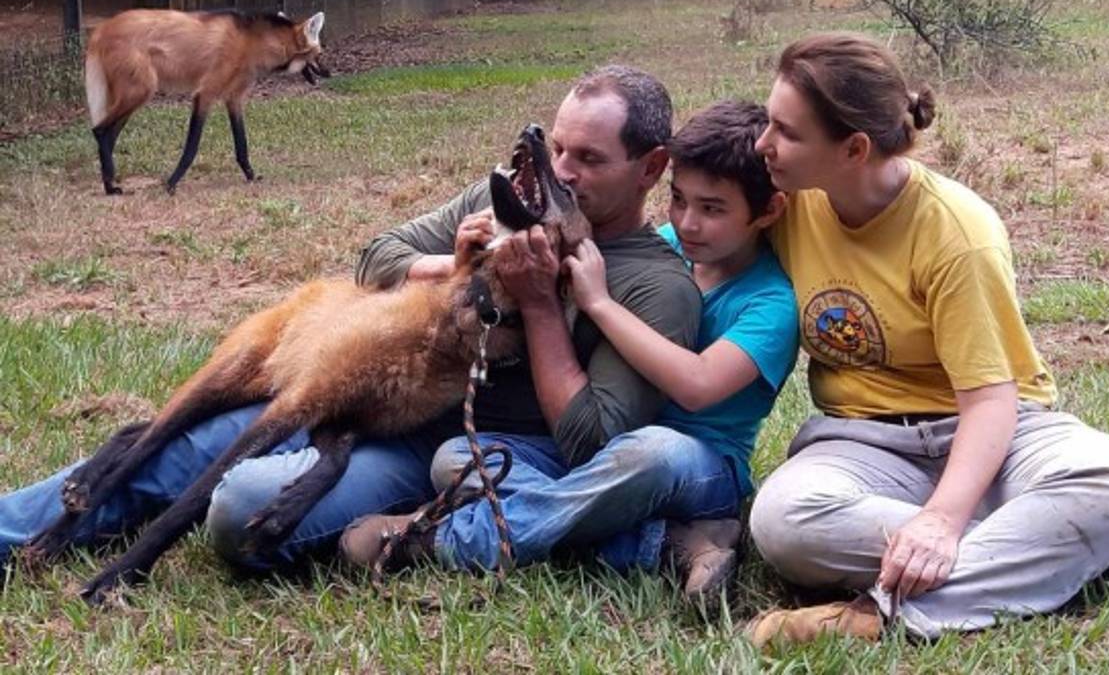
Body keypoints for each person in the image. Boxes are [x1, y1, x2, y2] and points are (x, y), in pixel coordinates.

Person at [0, 65, 703, 588]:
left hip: (446, 456)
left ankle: (413, 529)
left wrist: (543, 306)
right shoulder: (507, 205)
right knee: (185, 446)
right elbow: (376, 258)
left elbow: (589, 443)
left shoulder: (653, 287)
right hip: (369, 390)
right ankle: (15, 530)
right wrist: (448, 260)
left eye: (590, 159)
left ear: (652, 167)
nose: (563, 172)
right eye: (558, 151)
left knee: (241, 505)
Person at [743, 33, 1109, 646]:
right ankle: (1073, 555)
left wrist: (946, 521)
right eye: (770, 122)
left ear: (853, 148)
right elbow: (696, 229)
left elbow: (990, 401)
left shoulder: (957, 232)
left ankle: (876, 617)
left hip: (993, 433)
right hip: (864, 442)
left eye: (786, 132)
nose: (764, 144)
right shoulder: (785, 203)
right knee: (782, 521)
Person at [344, 100, 799, 606]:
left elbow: (695, 387)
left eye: (712, 209)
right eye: (678, 200)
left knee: (649, 452)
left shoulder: (771, 303)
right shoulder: (666, 246)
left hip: (698, 467)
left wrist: (600, 304)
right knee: (456, 458)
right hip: (601, 460)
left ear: (769, 211)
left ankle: (437, 539)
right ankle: (665, 544)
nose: (688, 222)